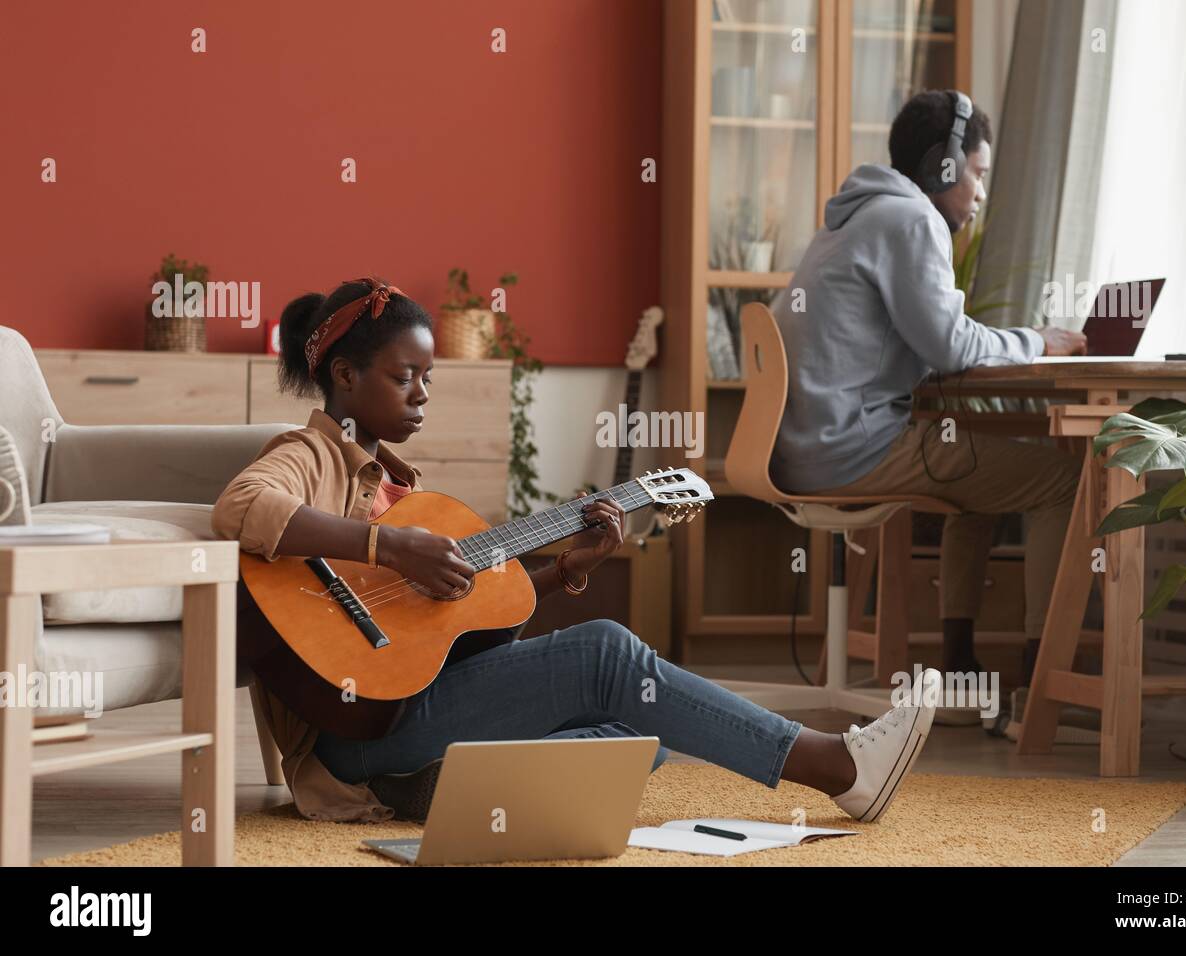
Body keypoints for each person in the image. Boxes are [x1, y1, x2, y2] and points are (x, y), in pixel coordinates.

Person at [211, 275, 944, 824]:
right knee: (606, 657)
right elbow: (241, 507)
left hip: (408, 715)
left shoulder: (404, 488)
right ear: (344, 376)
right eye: (406, 378)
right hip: (356, 735)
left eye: (429, 378)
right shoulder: (310, 453)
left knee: (639, 731)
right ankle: (836, 765)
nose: (423, 395)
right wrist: (390, 544)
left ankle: (445, 789)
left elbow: (450, 635)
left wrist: (563, 571)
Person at [768, 90, 1088, 689]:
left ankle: (960, 661)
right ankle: (1041, 681)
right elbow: (953, 346)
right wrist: (1039, 341)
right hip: (854, 451)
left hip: (809, 447)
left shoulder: (856, 215)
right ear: (945, 166)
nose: (981, 191)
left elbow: (923, 340)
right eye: (977, 173)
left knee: (976, 472)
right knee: (1066, 482)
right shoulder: (911, 219)